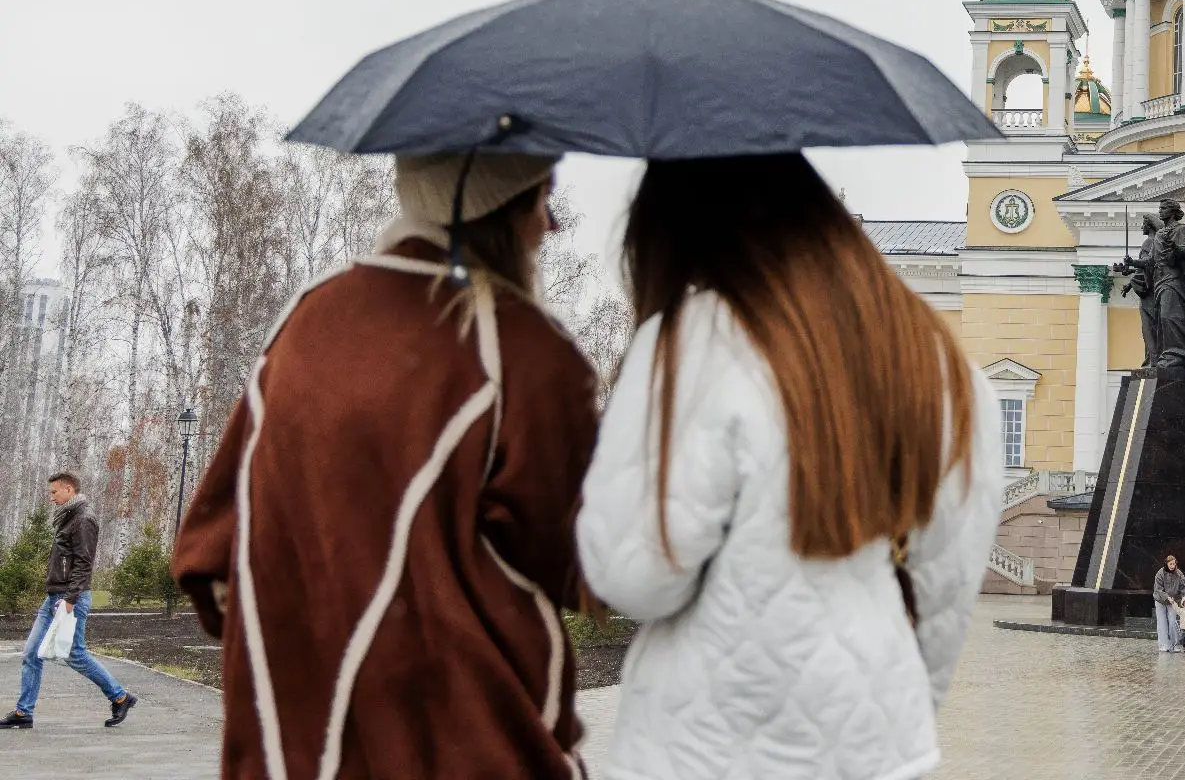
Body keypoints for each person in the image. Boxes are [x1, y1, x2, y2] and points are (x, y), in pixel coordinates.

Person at [171, 153, 601, 777]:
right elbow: (583, 564)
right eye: (543, 198)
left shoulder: (305, 320)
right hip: (467, 748)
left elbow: (208, 558)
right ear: (502, 211)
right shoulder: (523, 349)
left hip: (290, 754)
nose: (550, 226)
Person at [576, 153, 1002, 780]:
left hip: (699, 751)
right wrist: (890, 715)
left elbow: (635, 575)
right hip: (879, 750)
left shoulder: (693, 343)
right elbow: (947, 586)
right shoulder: (940, 367)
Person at [1, 474, 136, 730]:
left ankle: (120, 696)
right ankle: (23, 713)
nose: (51, 498)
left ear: (68, 489)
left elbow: (84, 563)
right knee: (31, 652)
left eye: (54, 492)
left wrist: (70, 599)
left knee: (75, 654)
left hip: (70, 597)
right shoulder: (68, 516)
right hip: (54, 596)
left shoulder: (84, 519)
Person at [1153, 554, 1185, 654]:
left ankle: (1175, 645)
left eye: (1174, 564)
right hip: (1160, 600)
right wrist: (1166, 597)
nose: (1172, 566)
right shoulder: (1160, 573)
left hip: (1173, 601)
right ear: (1166, 563)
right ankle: (1164, 645)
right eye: (1171, 564)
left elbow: (1184, 588)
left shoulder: (1179, 574)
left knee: (1173, 621)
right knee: (1162, 623)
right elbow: (1158, 589)